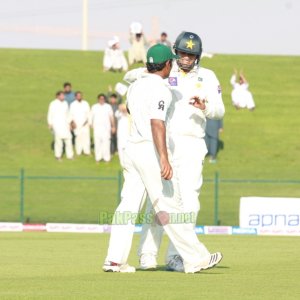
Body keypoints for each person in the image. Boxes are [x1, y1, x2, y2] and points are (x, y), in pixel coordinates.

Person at [103, 44, 220, 274]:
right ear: (167, 65)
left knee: (127, 206)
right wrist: (164, 158)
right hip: (149, 151)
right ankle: (196, 258)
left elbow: (132, 111)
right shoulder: (161, 89)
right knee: (170, 206)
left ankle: (114, 260)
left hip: (131, 149)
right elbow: (157, 123)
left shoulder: (135, 87)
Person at [47, 91, 73, 160]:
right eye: (62, 95)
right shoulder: (53, 103)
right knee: (59, 141)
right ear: (57, 96)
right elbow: (50, 114)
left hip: (65, 124)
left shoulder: (65, 103)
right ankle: (58, 156)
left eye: (63, 95)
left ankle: (70, 156)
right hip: (56, 124)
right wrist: (50, 123)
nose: (63, 97)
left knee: (68, 140)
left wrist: (69, 123)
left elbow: (68, 114)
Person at [90, 94, 115, 163]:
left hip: (106, 129)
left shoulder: (108, 106)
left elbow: (111, 117)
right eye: (100, 99)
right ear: (98, 99)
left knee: (106, 143)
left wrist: (113, 126)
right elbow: (91, 116)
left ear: (104, 99)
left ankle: (106, 158)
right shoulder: (94, 107)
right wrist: (90, 124)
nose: (102, 100)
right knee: (97, 144)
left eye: (103, 99)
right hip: (97, 129)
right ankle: (98, 158)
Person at [69, 91, 91, 156]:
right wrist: (72, 123)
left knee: (86, 138)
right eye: (78, 96)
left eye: (80, 95)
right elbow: (71, 115)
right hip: (76, 124)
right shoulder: (73, 104)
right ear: (75, 97)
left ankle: (87, 151)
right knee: (78, 138)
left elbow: (89, 114)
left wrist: (88, 122)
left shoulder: (85, 103)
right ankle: (79, 151)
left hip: (85, 124)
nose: (79, 97)